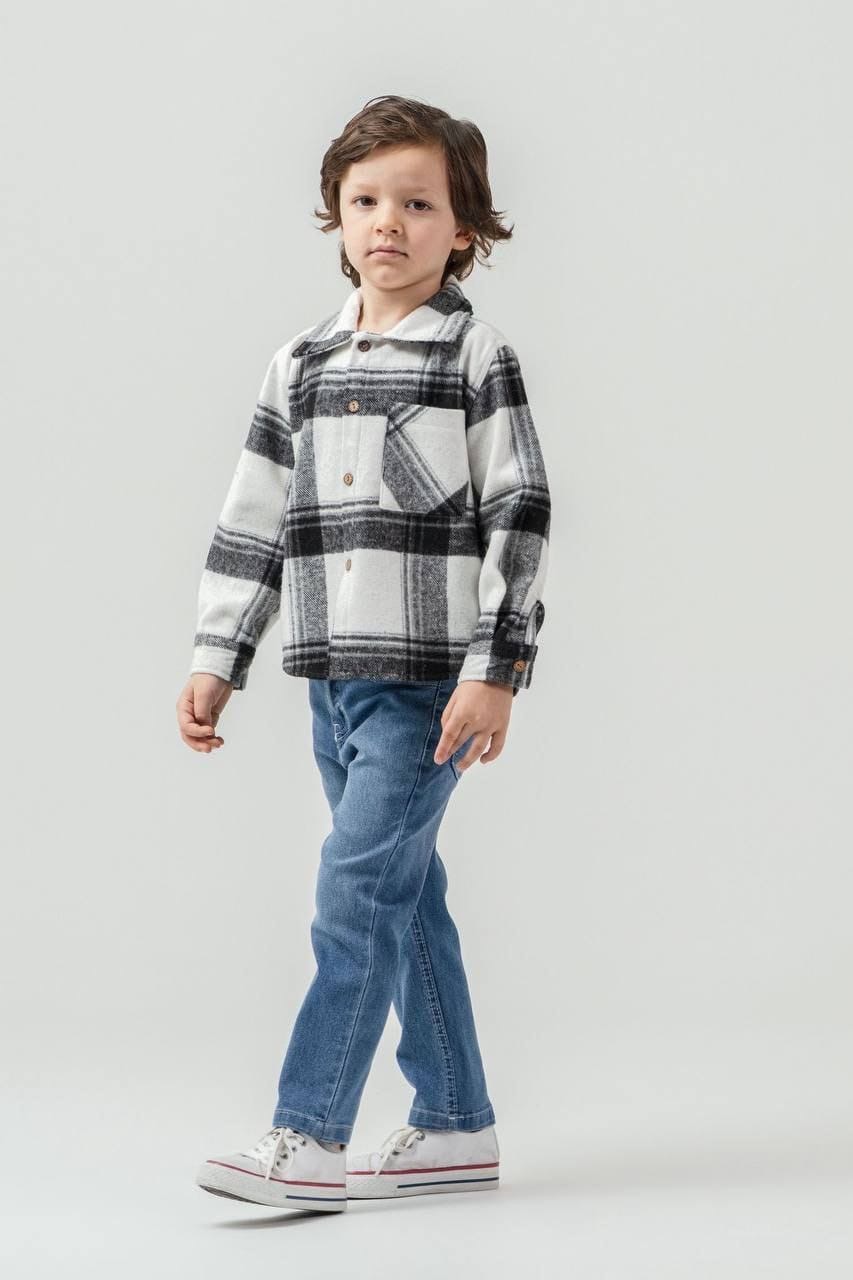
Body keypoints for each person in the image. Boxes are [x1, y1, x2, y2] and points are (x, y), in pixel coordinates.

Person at [177, 94, 551, 1212]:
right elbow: (252, 517)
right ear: (336, 217)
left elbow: (520, 513)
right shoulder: (298, 362)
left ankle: (310, 1132)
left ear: (463, 230)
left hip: (428, 685)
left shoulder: (473, 354)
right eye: (366, 200)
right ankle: (455, 1123)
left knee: (353, 893)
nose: (389, 222)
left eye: (418, 204)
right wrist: (218, 652)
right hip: (331, 679)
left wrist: (495, 669)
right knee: (402, 891)